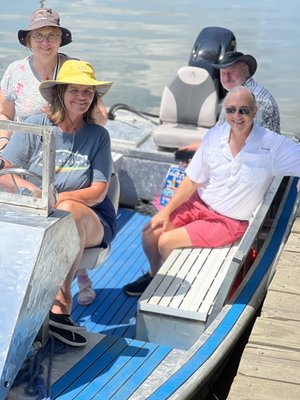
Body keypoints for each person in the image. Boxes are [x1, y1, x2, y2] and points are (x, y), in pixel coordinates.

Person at [123, 86, 300, 296]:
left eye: (244, 110)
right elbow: (192, 180)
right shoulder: (215, 135)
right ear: (224, 111)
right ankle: (155, 276)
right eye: (231, 110)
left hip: (228, 221)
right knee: (150, 233)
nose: (236, 116)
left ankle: (176, 289)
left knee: (166, 241)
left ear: (255, 111)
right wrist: (165, 211)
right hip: (198, 203)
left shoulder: (272, 145)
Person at [1, 60, 116, 345]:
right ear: (60, 93)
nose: (82, 97)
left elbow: (99, 191)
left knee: (67, 213)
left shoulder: (98, 135)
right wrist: (36, 195)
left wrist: (58, 198)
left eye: (88, 92)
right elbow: (5, 170)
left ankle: (60, 309)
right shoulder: (36, 126)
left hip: (90, 218)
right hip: (40, 212)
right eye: (74, 90)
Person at [0, 7, 107, 305]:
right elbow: (4, 114)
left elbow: (99, 119)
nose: (45, 42)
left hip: (69, 154)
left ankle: (71, 285)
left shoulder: (74, 69)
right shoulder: (15, 71)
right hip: (28, 152)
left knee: (68, 205)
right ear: (29, 40)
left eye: (52, 35)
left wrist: (76, 108)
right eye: (39, 36)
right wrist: (4, 141)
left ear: (61, 39)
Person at [179, 51, 280, 153]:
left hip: (257, 162)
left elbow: (248, 145)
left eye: (231, 72)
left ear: (245, 70)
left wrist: (202, 149)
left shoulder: (256, 100)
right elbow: (220, 133)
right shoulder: (236, 95)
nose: (226, 78)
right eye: (223, 73)